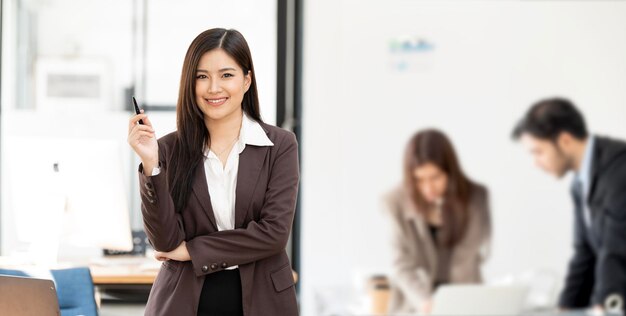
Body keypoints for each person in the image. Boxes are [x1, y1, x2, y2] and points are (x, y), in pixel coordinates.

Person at [127, 28, 299, 316]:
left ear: (246, 80)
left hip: (262, 300)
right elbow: (165, 242)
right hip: (185, 299)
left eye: (226, 75)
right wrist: (151, 165)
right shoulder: (168, 149)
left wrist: (192, 251)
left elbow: (274, 233)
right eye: (202, 76)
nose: (213, 88)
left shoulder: (279, 145)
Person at [512, 97, 626, 313]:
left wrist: (604, 303)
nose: (536, 163)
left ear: (564, 140)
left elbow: (617, 247)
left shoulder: (619, 169)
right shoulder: (580, 182)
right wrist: (564, 307)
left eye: (538, 152)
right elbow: (584, 253)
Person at [384, 129, 491, 315]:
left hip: (464, 299)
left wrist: (449, 306)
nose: (428, 188)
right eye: (419, 179)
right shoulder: (394, 202)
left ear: (451, 172)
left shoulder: (476, 197)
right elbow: (402, 264)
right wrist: (425, 302)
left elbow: (467, 258)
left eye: (435, 178)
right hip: (414, 305)